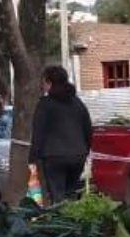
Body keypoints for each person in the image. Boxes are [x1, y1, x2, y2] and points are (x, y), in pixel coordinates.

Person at [30, 65, 92, 205]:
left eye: (44, 82)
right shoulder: (78, 103)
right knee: (71, 194)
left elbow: (38, 133)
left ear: (49, 83)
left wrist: (33, 158)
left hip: (54, 157)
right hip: (78, 155)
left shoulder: (45, 104)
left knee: (58, 197)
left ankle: (61, 223)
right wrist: (85, 150)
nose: (43, 86)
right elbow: (88, 129)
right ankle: (73, 221)